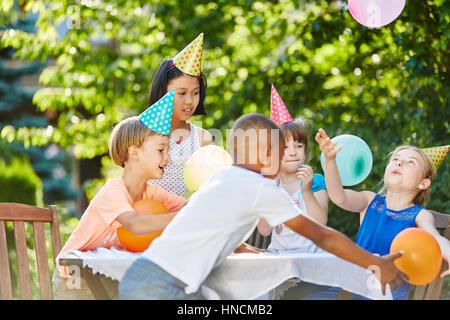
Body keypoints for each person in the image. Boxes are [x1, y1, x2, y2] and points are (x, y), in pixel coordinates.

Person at [118, 113, 406, 300]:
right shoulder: (260, 188)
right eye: (281, 153)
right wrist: (374, 262)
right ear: (267, 155)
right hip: (160, 288)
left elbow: (208, 227)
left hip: (146, 278)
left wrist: (245, 248)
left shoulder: (223, 178)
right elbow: (321, 235)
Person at [53, 92, 187, 299]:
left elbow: (191, 208)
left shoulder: (153, 194)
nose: (167, 158)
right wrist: (180, 217)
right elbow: (134, 225)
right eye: (161, 150)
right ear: (134, 153)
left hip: (110, 276)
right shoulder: (113, 191)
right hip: (75, 280)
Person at [312, 128, 450, 300]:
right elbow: (338, 197)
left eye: (411, 162)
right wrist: (330, 160)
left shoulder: (419, 215)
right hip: (350, 291)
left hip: (385, 295)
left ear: (423, 183)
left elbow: (435, 238)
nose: (399, 163)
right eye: (395, 159)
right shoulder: (370, 201)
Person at [258, 86, 329, 252]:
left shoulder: (315, 181)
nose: (292, 152)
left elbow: (320, 224)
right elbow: (264, 230)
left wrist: (307, 191)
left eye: (298, 146)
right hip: (279, 258)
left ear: (305, 150)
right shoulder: (268, 184)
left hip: (310, 258)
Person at [147, 33, 213, 197]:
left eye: (196, 93)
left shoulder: (203, 139)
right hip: (148, 218)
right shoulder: (141, 134)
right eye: (181, 93)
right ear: (163, 91)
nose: (190, 101)